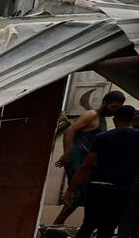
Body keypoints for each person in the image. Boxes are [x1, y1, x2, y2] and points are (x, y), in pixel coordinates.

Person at [65, 105, 139, 238]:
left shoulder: (102, 137)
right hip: (120, 189)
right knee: (107, 228)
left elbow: (86, 166)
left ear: (114, 120)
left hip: (97, 186)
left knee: (88, 225)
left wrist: (70, 189)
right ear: (134, 119)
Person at [52, 91, 125, 228]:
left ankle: (59, 224)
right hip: (77, 159)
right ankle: (56, 224)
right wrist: (66, 153)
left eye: (118, 108)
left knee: (84, 194)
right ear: (105, 103)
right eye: (113, 107)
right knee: (78, 192)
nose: (115, 111)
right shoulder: (91, 115)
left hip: (87, 162)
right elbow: (69, 131)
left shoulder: (102, 119)